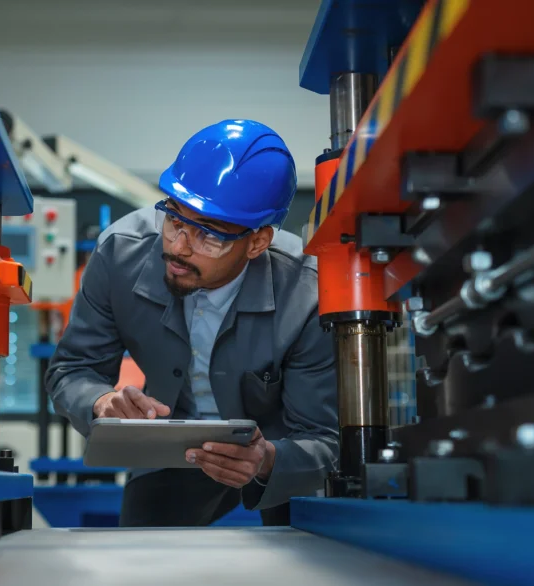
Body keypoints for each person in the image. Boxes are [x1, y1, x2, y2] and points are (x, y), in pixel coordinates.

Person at [47, 119, 338, 527]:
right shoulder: (119, 257)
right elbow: (71, 370)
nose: (179, 248)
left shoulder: (306, 291)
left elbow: (323, 438)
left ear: (257, 242)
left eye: (209, 236)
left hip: (276, 449)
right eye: (175, 220)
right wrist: (101, 402)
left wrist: (267, 460)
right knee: (140, 551)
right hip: (169, 452)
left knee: (308, 549)